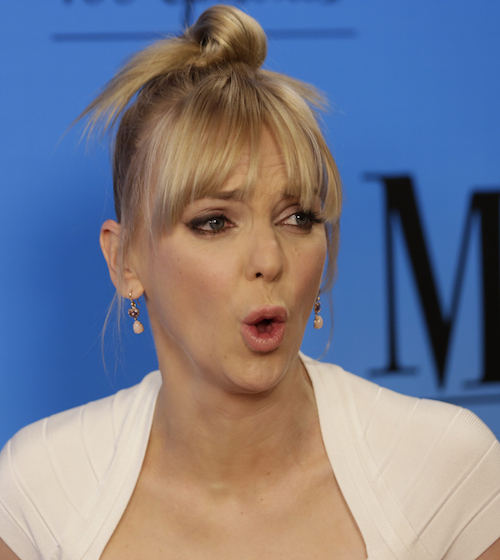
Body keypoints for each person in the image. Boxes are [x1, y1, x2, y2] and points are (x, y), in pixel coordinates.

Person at [1, 5, 500, 560]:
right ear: (125, 262)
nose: (270, 259)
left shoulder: (444, 472)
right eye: (214, 222)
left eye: (298, 218)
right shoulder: (41, 489)